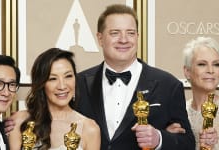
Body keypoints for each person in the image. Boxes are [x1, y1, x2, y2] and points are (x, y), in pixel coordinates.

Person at [75, 4, 195, 150]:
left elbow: (187, 143)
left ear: (138, 37)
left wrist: (159, 138)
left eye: (131, 33)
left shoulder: (168, 85)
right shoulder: (78, 83)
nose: (124, 40)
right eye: (115, 33)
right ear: (100, 39)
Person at [167, 36, 219, 149]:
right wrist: (168, 139)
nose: (211, 70)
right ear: (187, 71)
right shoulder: (180, 111)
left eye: (216, 64)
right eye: (202, 64)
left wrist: (212, 146)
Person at [8, 48, 100, 150]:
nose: (62, 86)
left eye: (68, 76)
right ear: (41, 83)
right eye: (52, 79)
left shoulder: (90, 129)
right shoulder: (20, 121)